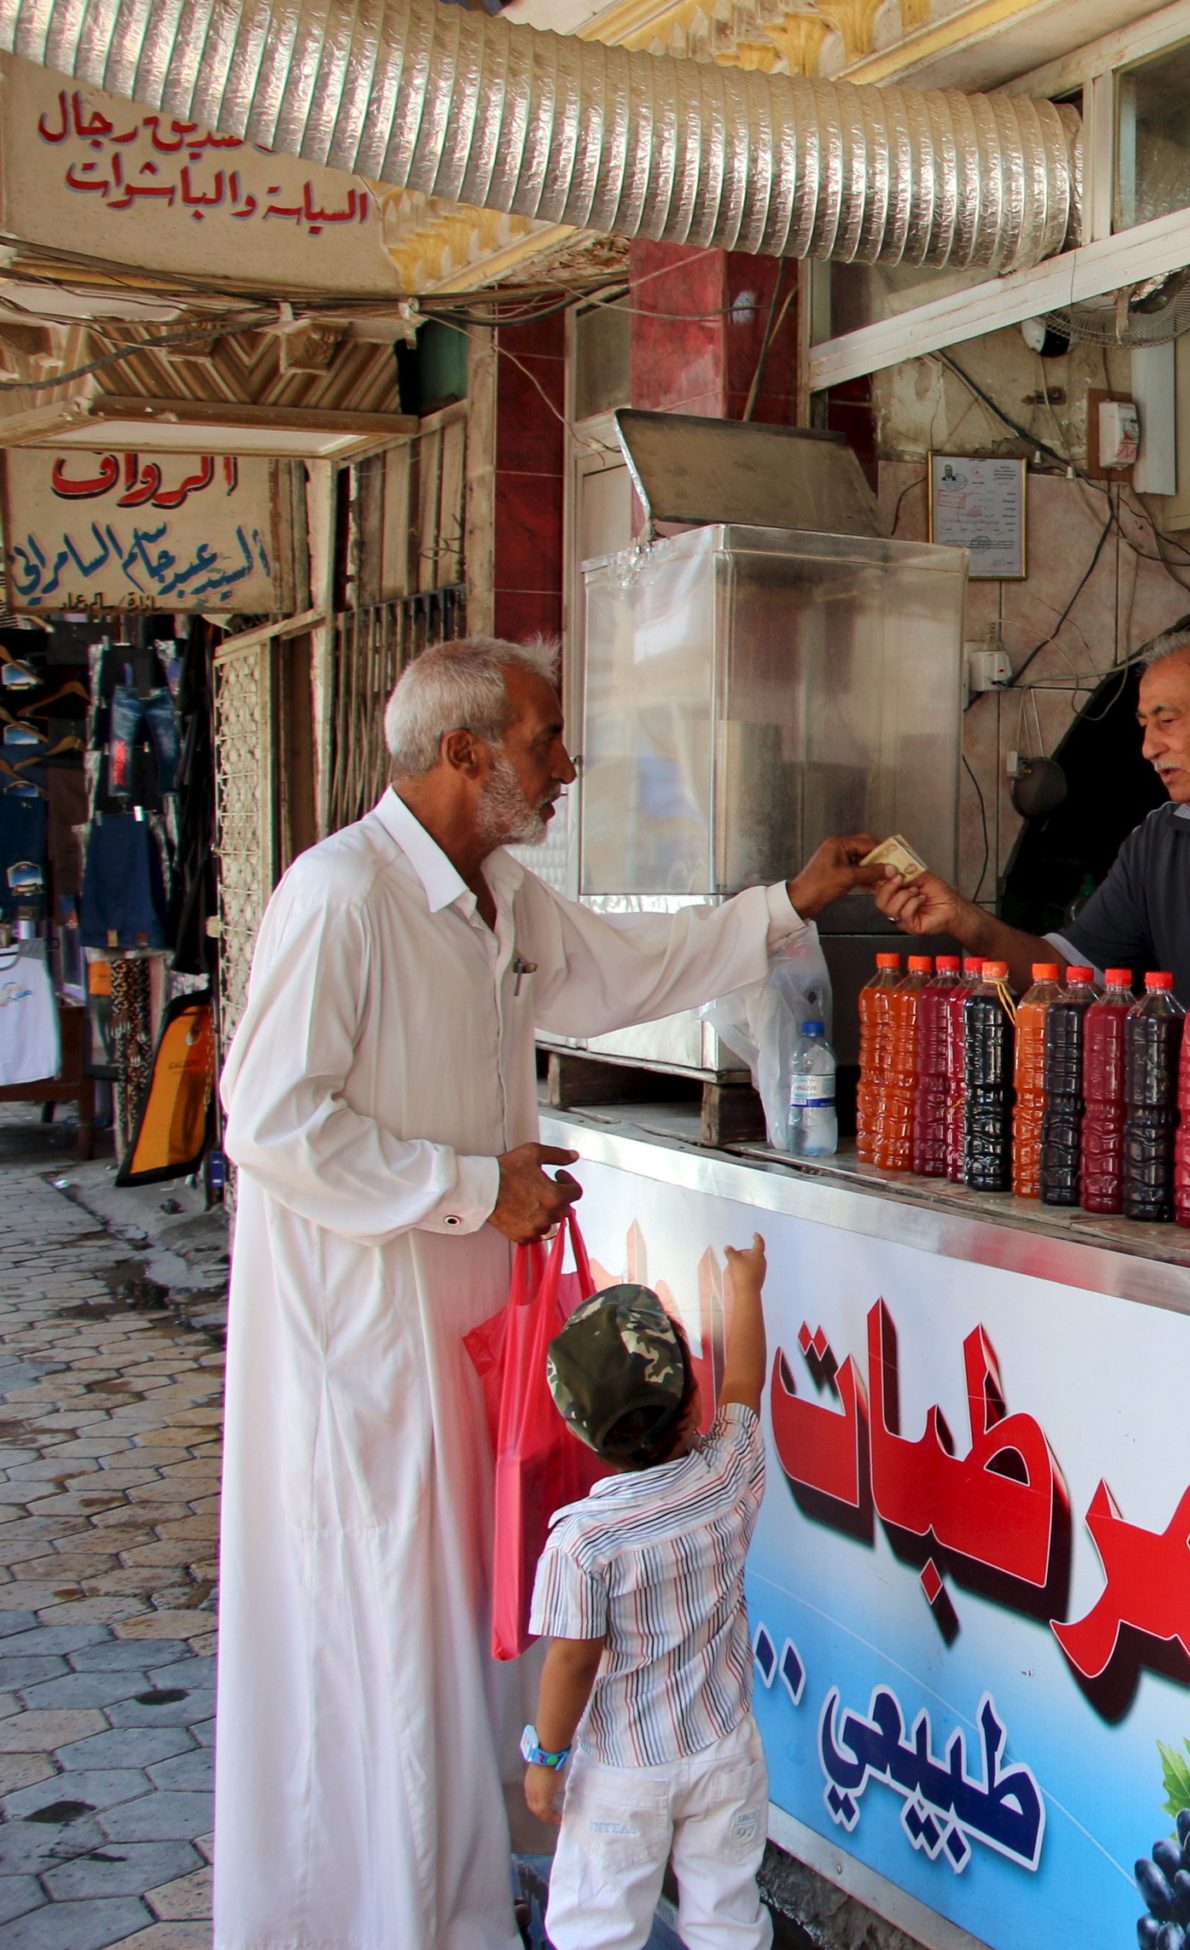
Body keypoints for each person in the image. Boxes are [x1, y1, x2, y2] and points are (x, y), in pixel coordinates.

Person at [215, 636, 872, 1950]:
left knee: (469, 1617)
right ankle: (377, 1915)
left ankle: (460, 1897)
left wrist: (784, 905)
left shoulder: (501, 894)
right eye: (546, 739)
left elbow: (629, 970)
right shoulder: (340, 895)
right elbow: (268, 1121)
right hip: (367, 1331)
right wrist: (471, 1185)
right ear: (464, 755)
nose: (567, 763)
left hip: (475, 1333)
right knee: (385, 1627)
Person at [865, 627, 1190, 1169]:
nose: (1149, 748)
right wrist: (965, 922)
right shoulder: (1157, 838)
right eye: (1144, 726)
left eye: (1167, 721)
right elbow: (1068, 971)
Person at [522, 1238, 774, 1950]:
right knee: (727, 1914)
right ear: (691, 1396)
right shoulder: (727, 1479)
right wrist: (746, 1289)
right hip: (724, 1754)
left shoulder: (583, 1543)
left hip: (621, 1774)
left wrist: (545, 1757)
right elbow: (745, 1387)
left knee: (598, 1927)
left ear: (580, 1432)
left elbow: (571, 1662)